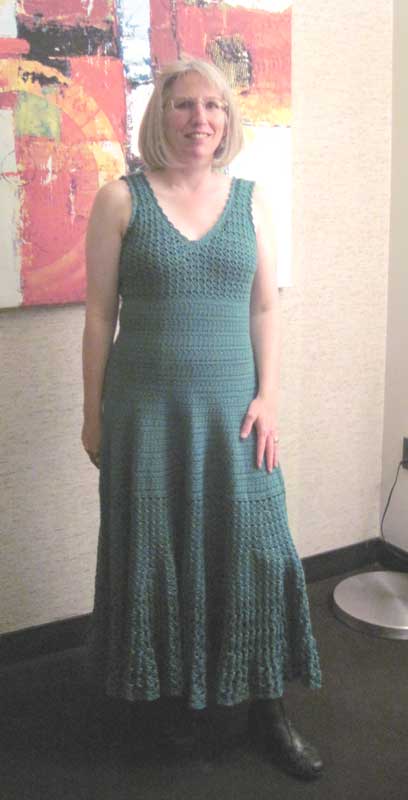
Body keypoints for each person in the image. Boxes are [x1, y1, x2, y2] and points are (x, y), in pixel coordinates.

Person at [81, 57, 323, 780]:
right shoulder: (119, 201)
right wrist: (91, 415)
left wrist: (270, 395)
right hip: (145, 415)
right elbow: (98, 318)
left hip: (235, 416)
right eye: (185, 104)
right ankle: (174, 704)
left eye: (213, 106)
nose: (201, 119)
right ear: (161, 115)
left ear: (228, 118)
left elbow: (265, 306)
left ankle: (268, 709)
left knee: (259, 551)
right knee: (158, 551)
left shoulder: (252, 201)